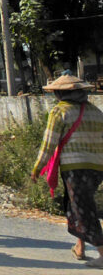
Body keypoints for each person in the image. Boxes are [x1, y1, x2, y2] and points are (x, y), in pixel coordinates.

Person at [32, 73, 103, 267]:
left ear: (59, 94)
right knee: (75, 205)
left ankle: (102, 251)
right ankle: (80, 247)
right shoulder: (96, 112)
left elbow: (49, 143)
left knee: (82, 208)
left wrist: (38, 168)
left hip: (74, 168)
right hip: (97, 169)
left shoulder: (59, 111)